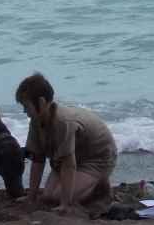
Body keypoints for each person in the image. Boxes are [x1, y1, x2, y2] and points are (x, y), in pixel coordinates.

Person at [14, 73, 117, 214]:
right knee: (48, 195)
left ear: (42, 102)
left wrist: (64, 204)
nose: (24, 111)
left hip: (99, 156)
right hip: (76, 156)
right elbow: (38, 160)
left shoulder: (62, 123)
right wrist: (30, 197)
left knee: (59, 196)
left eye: (27, 106)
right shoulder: (36, 121)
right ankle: (88, 180)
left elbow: (69, 165)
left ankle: (99, 179)